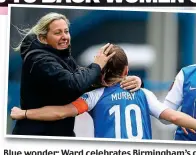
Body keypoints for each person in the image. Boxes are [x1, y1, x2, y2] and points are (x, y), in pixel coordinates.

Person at [11, 45, 196, 140]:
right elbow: (173, 116)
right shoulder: (143, 94)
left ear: (98, 71)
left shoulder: (93, 97)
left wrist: (25, 113)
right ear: (127, 71)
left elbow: (60, 113)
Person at [12, 12, 141, 136]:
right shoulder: (39, 60)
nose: (64, 36)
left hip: (58, 135)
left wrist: (130, 81)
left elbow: (85, 82)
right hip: (36, 138)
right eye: (58, 33)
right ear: (43, 38)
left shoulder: (62, 57)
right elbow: (73, 84)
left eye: (66, 31)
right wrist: (97, 65)